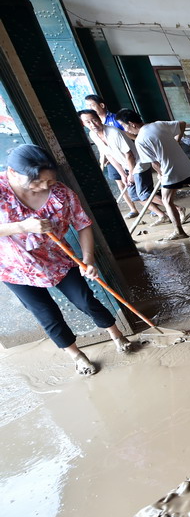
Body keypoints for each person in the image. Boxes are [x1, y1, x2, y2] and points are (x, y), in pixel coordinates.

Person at [0, 145, 134, 375]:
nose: (44, 187)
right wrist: (22, 226)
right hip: (15, 269)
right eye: (36, 182)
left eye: (49, 181)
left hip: (57, 260)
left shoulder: (62, 194)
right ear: (12, 173)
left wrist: (88, 259)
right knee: (46, 314)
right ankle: (77, 355)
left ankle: (117, 335)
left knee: (85, 300)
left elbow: (82, 224)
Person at [117, 109, 190, 241]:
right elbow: (182, 123)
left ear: (132, 123)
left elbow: (154, 163)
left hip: (170, 171)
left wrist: (161, 175)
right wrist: (177, 140)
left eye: (124, 126)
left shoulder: (140, 140)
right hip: (185, 166)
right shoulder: (158, 124)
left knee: (167, 201)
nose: (126, 130)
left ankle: (179, 231)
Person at [78, 109, 169, 224]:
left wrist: (130, 174)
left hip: (139, 164)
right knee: (135, 196)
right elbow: (109, 156)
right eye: (88, 122)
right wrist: (123, 175)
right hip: (126, 166)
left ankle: (177, 209)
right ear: (83, 124)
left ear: (99, 119)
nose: (93, 124)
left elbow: (129, 154)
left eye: (95, 120)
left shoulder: (114, 132)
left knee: (144, 195)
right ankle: (162, 215)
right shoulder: (93, 135)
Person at [83, 94, 136, 215]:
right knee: (120, 182)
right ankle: (133, 209)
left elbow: (130, 136)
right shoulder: (93, 129)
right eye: (87, 106)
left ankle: (150, 205)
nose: (90, 108)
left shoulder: (115, 120)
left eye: (91, 105)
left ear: (101, 105)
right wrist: (104, 160)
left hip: (126, 155)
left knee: (135, 182)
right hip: (112, 159)